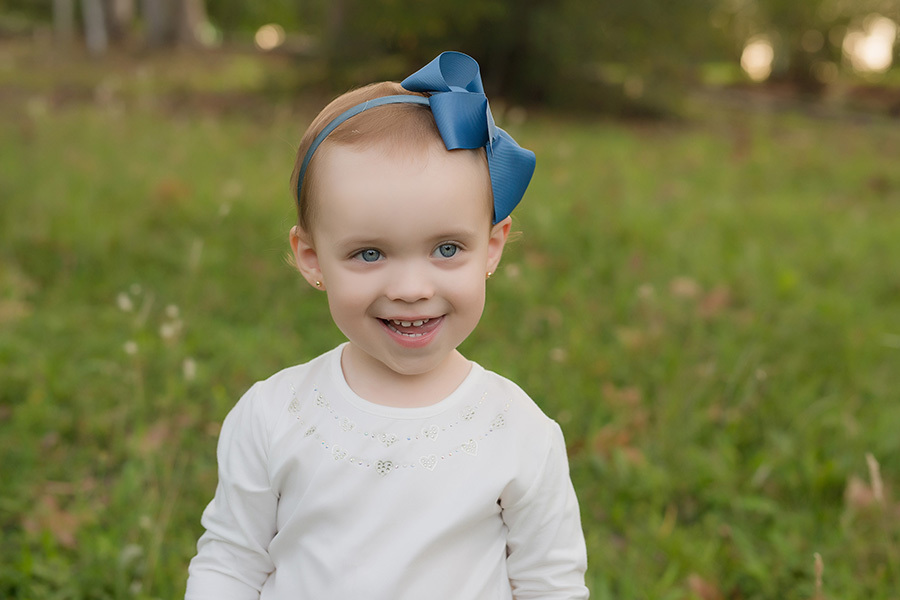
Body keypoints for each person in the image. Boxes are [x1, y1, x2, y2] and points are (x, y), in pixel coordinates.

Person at [186, 51, 588, 600]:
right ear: (311, 258)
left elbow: (550, 584)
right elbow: (231, 562)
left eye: (447, 249)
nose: (410, 288)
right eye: (370, 254)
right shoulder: (274, 414)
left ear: (492, 246)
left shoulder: (518, 433)